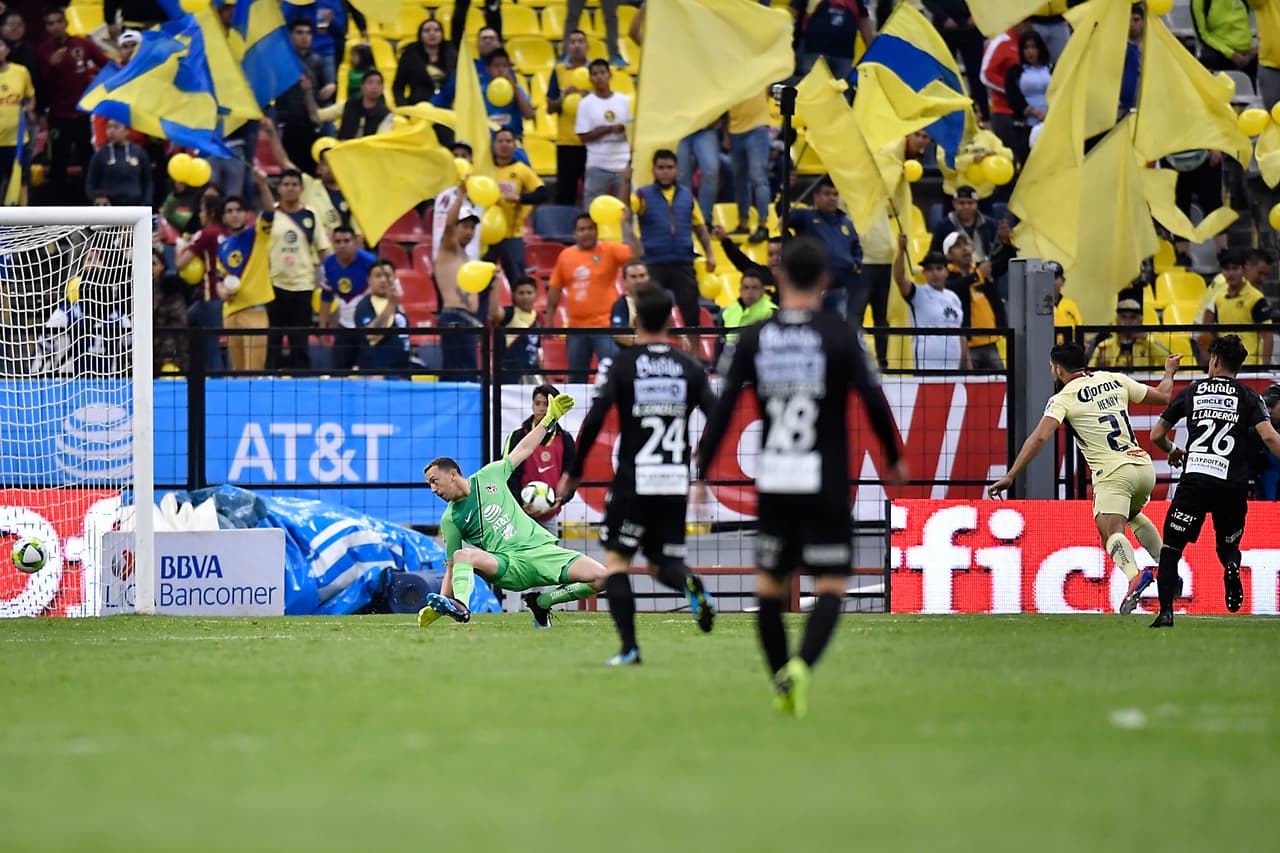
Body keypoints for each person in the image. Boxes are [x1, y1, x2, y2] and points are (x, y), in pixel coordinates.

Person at [698, 236, 907, 716]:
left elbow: (726, 405)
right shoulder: (840, 333)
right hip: (826, 478)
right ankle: (803, 668)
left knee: (770, 588)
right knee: (831, 585)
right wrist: (893, 458)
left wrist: (702, 471)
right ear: (827, 280)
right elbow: (874, 400)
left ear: (779, 277)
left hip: (775, 478)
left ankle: (779, 679)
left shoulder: (755, 336)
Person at [561, 286, 719, 665]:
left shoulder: (625, 364)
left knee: (617, 562)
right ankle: (690, 584)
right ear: (670, 321)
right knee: (661, 564)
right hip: (673, 481)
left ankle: (629, 648)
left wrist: (574, 472)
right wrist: (702, 473)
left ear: (635, 322)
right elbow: (718, 416)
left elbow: (595, 419)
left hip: (635, 479)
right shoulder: (689, 367)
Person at [989, 343, 1181, 614]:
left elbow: (1040, 436)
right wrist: (1169, 372)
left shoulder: (1064, 397)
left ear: (1057, 368)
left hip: (1113, 474)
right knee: (1131, 514)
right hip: (1143, 468)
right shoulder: (1113, 379)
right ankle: (1168, 567)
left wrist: (1011, 476)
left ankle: (1134, 576)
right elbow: (1163, 397)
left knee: (1111, 533)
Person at [419, 392, 612, 629]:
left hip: (541, 552)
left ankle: (542, 602)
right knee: (462, 556)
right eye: (429, 484)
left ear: (453, 474)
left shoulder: (490, 475)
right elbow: (451, 565)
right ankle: (460, 606)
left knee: (603, 577)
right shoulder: (450, 518)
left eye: (434, 480)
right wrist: (441, 602)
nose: (432, 489)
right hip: (508, 565)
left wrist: (548, 420)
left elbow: (524, 449)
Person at [1148, 336, 1280, 626]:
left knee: (1171, 548)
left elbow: (1157, 434)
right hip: (1233, 484)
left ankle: (1166, 613)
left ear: (1215, 360)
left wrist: (1173, 451)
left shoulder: (1192, 392)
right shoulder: (1248, 396)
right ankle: (1231, 566)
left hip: (1196, 480)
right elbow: (1269, 436)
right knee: (1227, 545)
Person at [633, 149, 716, 351]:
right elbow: (623, 211)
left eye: (669, 168)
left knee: (691, 313)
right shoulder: (642, 194)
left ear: (677, 170)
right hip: (654, 261)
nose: (665, 172)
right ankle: (649, 348)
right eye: (661, 168)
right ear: (653, 170)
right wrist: (626, 182)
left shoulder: (687, 196)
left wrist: (710, 253)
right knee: (651, 310)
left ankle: (695, 357)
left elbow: (700, 227)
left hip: (683, 261)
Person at [38, 7, 109, 204]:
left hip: (83, 114)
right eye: (50, 24)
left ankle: (91, 204)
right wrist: (51, 66)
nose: (55, 27)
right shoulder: (44, 51)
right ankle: (58, 208)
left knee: (88, 159)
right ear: (46, 28)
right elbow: (41, 85)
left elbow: (105, 63)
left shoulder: (81, 44)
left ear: (65, 23)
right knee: (58, 163)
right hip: (59, 116)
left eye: (58, 22)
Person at [545, 213, 630, 379]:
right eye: (582, 229)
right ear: (574, 234)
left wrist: (626, 225)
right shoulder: (565, 256)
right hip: (576, 328)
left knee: (613, 373)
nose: (587, 233)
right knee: (576, 378)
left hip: (606, 327)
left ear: (597, 230)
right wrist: (549, 320)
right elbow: (554, 289)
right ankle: (576, 406)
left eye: (590, 228)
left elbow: (637, 253)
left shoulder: (610, 249)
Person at [264, 168, 331, 370]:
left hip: (303, 285)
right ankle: (270, 381)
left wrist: (329, 279)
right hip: (274, 285)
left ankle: (301, 383)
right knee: (273, 340)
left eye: (294, 184)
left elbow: (323, 250)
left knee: (299, 341)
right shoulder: (270, 215)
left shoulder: (311, 215)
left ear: (301, 189)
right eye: (286, 184)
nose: (290, 188)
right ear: (279, 189)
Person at [217, 175, 276, 372]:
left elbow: (269, 211)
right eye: (229, 211)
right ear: (224, 217)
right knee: (237, 373)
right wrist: (221, 291)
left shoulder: (258, 234)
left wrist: (262, 184)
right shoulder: (223, 246)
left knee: (254, 372)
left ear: (246, 215)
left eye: (239, 210)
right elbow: (220, 277)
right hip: (231, 313)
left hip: (255, 311)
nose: (234, 215)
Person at [505, 383, 576, 538]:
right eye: (537, 403)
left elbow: (571, 475)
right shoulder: (518, 436)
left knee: (551, 559)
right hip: (520, 513)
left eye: (546, 404)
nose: (542, 409)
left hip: (549, 514)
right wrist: (520, 504)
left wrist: (560, 500)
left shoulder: (565, 439)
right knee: (521, 557)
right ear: (532, 406)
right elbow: (508, 474)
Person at [787, 176, 863, 320]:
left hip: (840, 289)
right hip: (813, 289)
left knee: (837, 328)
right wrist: (785, 190)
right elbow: (784, 216)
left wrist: (855, 263)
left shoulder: (847, 223)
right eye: (827, 194)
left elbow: (857, 248)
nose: (832, 198)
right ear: (816, 197)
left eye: (835, 194)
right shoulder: (805, 217)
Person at [893, 235, 968, 370]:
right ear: (924, 273)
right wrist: (901, 251)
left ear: (947, 271)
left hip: (953, 368)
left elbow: (960, 335)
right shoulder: (917, 293)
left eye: (939, 268)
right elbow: (899, 278)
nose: (934, 273)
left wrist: (968, 368)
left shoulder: (953, 297)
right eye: (929, 269)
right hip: (926, 368)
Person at [434, 180, 484, 374]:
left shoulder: (466, 257)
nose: (469, 232)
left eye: (472, 228)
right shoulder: (449, 249)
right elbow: (448, 224)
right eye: (464, 226)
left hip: (468, 318)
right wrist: (461, 195)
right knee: (456, 374)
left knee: (469, 372)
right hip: (453, 316)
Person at [175, 193, 227, 371]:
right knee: (181, 324)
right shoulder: (225, 232)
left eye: (203, 210)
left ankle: (217, 389)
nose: (199, 215)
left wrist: (180, 246)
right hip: (219, 296)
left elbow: (180, 263)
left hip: (209, 296)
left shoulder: (206, 234)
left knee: (211, 348)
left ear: (211, 212)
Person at [488, 127, 547, 282]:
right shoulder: (485, 168)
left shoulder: (522, 170)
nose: (504, 145)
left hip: (511, 236)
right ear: (494, 144)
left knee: (518, 280)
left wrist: (520, 198)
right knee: (483, 281)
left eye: (508, 141)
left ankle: (519, 307)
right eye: (500, 141)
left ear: (515, 145)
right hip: (486, 235)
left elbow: (542, 194)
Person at [943, 231, 1004, 370]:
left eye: (966, 244)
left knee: (1002, 383)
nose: (965, 249)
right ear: (949, 254)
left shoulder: (979, 270)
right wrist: (977, 276)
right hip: (967, 345)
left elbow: (1003, 264)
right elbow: (955, 287)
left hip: (991, 341)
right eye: (958, 246)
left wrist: (1005, 242)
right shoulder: (947, 275)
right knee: (970, 387)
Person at [575, 58, 631, 206]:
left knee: (623, 210)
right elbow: (583, 136)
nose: (599, 77)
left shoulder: (625, 101)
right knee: (592, 208)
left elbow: (634, 131)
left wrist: (624, 129)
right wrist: (608, 129)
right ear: (590, 78)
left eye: (602, 73)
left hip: (623, 164)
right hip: (597, 165)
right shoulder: (585, 104)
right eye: (595, 74)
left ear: (610, 75)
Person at [1202, 248, 1272, 366]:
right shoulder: (1219, 297)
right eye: (1226, 269)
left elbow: (1267, 336)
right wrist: (1209, 358)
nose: (1230, 273)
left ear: (1244, 269)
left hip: (1249, 367)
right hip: (1224, 366)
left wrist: (1265, 367)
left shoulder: (1256, 297)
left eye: (1235, 268)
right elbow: (1206, 327)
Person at [319, 226, 377, 369]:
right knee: (339, 375)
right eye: (338, 242)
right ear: (332, 243)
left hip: (368, 329)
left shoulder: (370, 262)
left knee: (368, 375)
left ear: (355, 242)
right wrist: (322, 328)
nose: (342, 245)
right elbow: (326, 296)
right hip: (344, 327)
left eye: (346, 241)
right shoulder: (328, 264)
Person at [547, 30, 590, 206]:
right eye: (572, 42)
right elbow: (550, 107)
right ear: (567, 47)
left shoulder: (596, 71)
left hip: (593, 142)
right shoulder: (558, 71)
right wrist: (563, 98)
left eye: (581, 41)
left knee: (592, 193)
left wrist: (587, 96)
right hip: (567, 142)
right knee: (565, 193)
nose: (577, 45)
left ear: (587, 46)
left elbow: (606, 101)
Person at [726, 89, 772, 244]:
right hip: (735, 128)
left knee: (758, 178)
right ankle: (743, 223)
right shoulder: (729, 73)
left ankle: (763, 226)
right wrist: (726, 133)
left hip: (757, 127)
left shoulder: (760, 67)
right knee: (739, 180)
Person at [353, 259, 410, 372]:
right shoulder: (365, 305)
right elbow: (372, 335)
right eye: (378, 276)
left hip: (401, 370)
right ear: (369, 280)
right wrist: (391, 304)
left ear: (394, 278)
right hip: (377, 373)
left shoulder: (396, 303)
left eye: (388, 276)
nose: (384, 280)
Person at [1090, 298, 1172, 368]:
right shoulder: (1104, 346)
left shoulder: (1148, 343)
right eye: (1124, 317)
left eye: (1133, 317)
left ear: (1140, 321)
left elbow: (1170, 363)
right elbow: (1089, 371)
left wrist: (1147, 340)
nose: (1128, 322)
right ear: (1117, 320)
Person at [392, 18, 455, 107]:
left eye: (436, 30)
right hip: (418, 107)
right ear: (420, 35)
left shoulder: (451, 54)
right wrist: (405, 108)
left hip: (445, 108)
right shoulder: (409, 56)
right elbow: (398, 87)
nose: (432, 33)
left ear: (442, 34)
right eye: (427, 30)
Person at [491, 275, 542, 383]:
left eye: (529, 293)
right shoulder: (510, 313)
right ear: (513, 295)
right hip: (510, 373)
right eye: (521, 293)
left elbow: (536, 347)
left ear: (536, 295)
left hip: (530, 373)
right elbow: (494, 313)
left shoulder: (537, 317)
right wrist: (495, 285)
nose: (525, 297)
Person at [0, 36, 32, 202]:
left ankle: (23, 225)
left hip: (18, 142)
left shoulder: (21, 72)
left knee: (22, 184)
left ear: (7, 49)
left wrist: (30, 111)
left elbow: (30, 97)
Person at [720, 269, 777, 346]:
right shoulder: (728, 311)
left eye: (755, 288)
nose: (750, 291)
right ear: (740, 290)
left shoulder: (772, 311)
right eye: (746, 287)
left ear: (762, 290)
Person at [336, 69, 389, 140]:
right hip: (344, 147)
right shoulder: (350, 104)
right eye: (370, 83)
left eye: (378, 83)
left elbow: (381, 139)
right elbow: (322, 115)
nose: (374, 87)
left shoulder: (386, 113)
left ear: (382, 88)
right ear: (362, 87)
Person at [1050, 261, 1082, 342]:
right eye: (1047, 277)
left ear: (1063, 281)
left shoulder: (1070, 304)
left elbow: (1079, 328)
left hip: (1068, 348)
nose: (1051, 281)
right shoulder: (1037, 306)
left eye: (1055, 277)